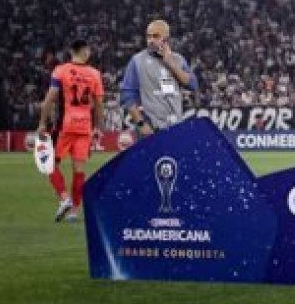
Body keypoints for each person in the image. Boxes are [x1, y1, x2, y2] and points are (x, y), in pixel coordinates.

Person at [36, 39, 104, 222]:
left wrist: (42, 123)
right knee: (79, 170)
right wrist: (98, 127)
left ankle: (64, 198)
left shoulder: (61, 70)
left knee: (50, 164)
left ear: (71, 52)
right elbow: (99, 104)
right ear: (85, 52)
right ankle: (74, 211)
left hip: (65, 126)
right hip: (85, 127)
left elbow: (50, 99)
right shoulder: (95, 74)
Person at [120, 19, 198, 137]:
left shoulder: (178, 59)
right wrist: (141, 123)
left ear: (166, 38)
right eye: (148, 36)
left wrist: (171, 64)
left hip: (175, 125)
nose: (151, 40)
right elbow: (128, 96)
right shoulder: (137, 61)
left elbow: (192, 85)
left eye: (156, 36)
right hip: (151, 128)